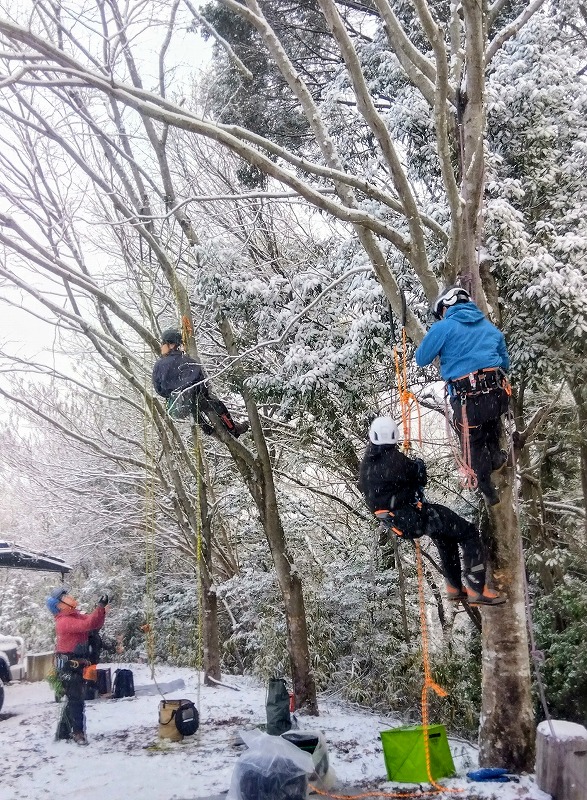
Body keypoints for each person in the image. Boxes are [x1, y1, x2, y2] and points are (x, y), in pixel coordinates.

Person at [358, 417, 506, 607]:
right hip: (413, 517)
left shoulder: (367, 464)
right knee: (468, 532)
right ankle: (478, 590)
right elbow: (419, 476)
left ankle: (454, 588)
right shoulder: (393, 460)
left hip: (398, 521)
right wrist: (419, 464)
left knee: (445, 534)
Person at [415, 286, 510, 506]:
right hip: (497, 396)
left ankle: (486, 485)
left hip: (468, 401)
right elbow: (504, 362)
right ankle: (496, 457)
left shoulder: (444, 327)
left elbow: (421, 358)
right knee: (492, 424)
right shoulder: (488, 327)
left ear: (446, 306)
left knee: (474, 441)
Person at [152, 328, 249, 437]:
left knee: (193, 408)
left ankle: (209, 430)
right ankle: (233, 429)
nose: (161, 346)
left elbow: (158, 389)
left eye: (163, 343)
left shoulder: (159, 366)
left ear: (171, 344)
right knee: (216, 405)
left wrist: (171, 394)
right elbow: (202, 385)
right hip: (193, 400)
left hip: (174, 408)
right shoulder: (189, 362)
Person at [46, 587, 109, 745]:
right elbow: (88, 624)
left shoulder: (75, 616)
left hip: (76, 664)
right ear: (58, 605)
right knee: (76, 699)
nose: (69, 597)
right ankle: (77, 732)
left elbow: (94, 624)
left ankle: (63, 732)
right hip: (68, 664)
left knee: (74, 698)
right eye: (64, 597)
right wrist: (100, 608)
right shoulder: (64, 621)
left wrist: (100, 611)